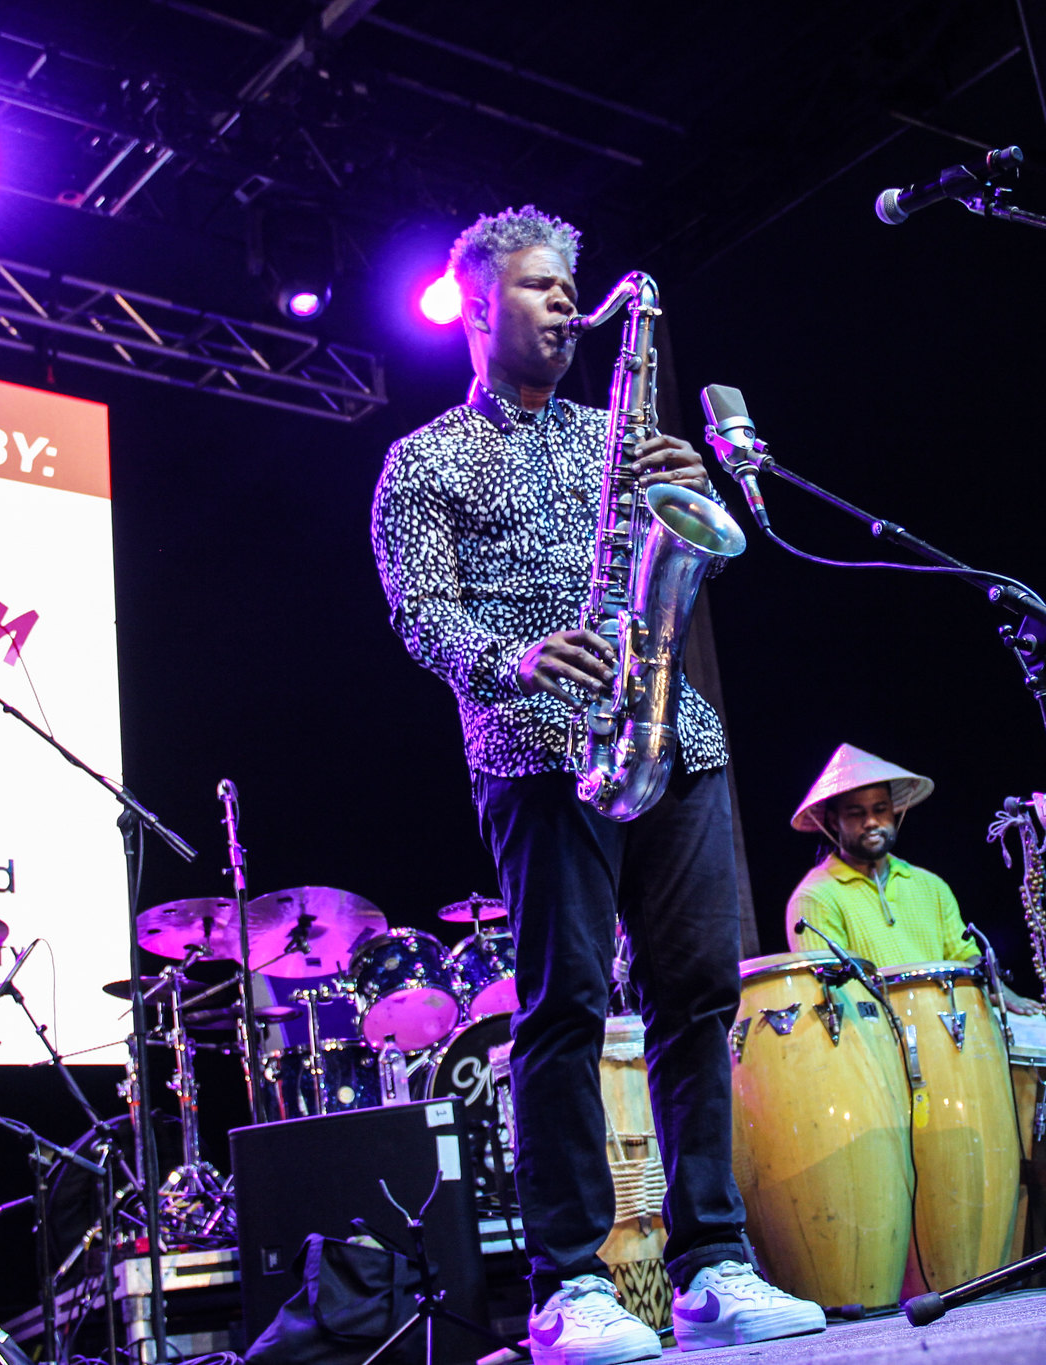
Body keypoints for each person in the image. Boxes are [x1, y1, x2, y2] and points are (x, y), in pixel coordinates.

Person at [371, 205, 823, 1363]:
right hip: (537, 748)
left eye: (570, 287)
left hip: (673, 732)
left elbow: (698, 545)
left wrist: (694, 486)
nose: (565, 304)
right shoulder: (422, 460)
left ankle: (713, 1264)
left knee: (695, 1000)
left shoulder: (614, 435)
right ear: (476, 309)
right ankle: (568, 1281)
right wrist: (510, 657)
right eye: (536, 288)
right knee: (566, 1010)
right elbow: (420, 615)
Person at [786, 744, 1040, 1012]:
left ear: (894, 812)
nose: (871, 821)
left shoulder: (930, 885)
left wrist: (997, 988)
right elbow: (834, 995)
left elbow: (963, 955)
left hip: (952, 1034)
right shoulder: (815, 897)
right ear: (834, 822)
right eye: (856, 812)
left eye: (880, 809)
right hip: (875, 1044)